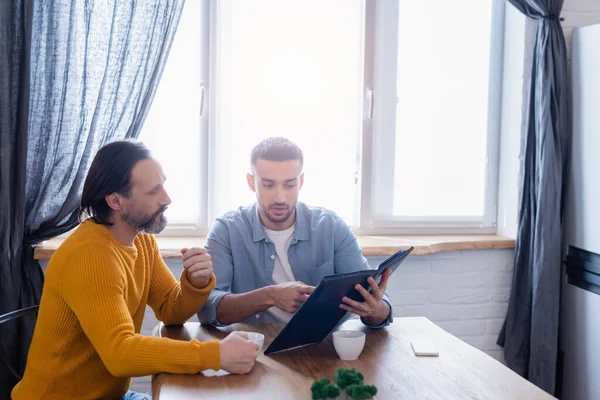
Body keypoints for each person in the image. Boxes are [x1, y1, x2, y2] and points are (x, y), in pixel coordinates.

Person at [12, 141, 258, 400]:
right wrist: (215, 355)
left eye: (163, 184)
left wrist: (196, 283)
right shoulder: (89, 255)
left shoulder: (141, 241)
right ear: (116, 201)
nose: (167, 199)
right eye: (154, 191)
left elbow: (170, 309)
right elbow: (120, 352)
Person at [198, 137, 393, 327]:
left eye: (289, 185)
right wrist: (270, 296)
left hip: (320, 348)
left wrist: (375, 310)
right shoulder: (226, 230)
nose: (280, 198)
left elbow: (376, 305)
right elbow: (208, 309)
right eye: (268, 185)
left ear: (300, 182)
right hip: (253, 348)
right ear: (251, 182)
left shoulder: (331, 227)